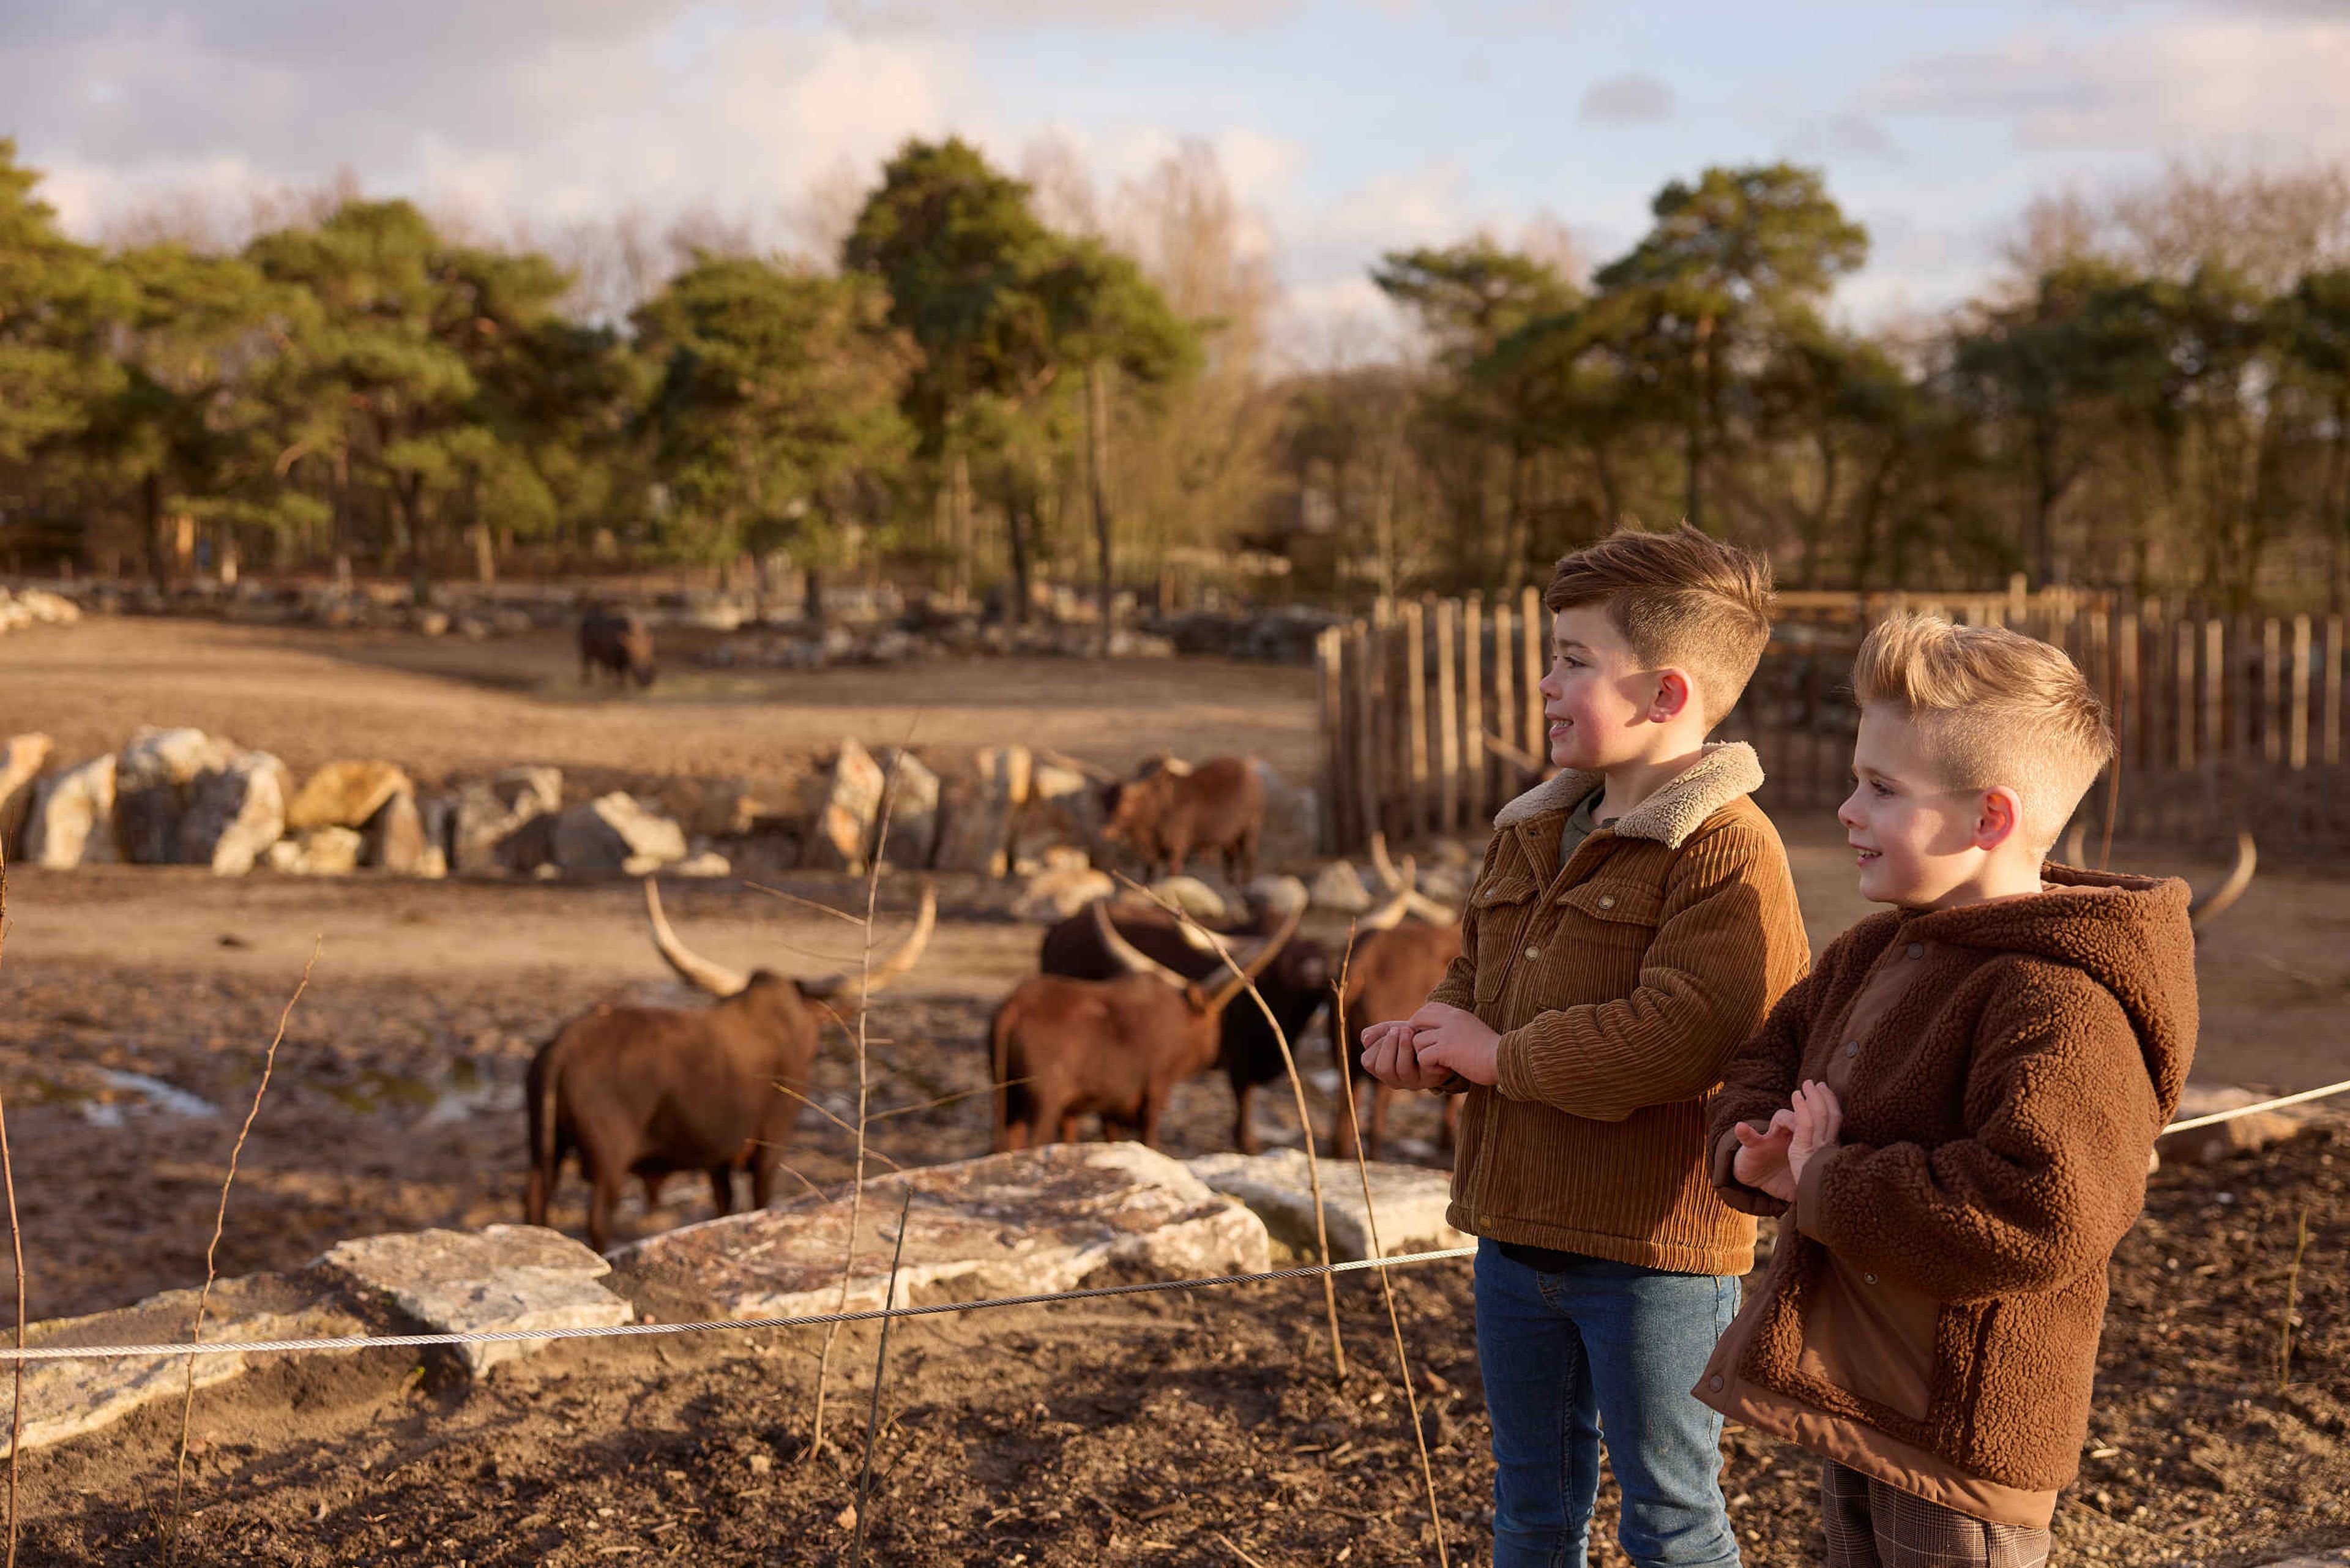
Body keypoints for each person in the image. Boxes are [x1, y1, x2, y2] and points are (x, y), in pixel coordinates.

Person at [1698, 613, 2197, 1568]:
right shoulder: (1877, 948)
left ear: (1989, 820)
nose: (1848, 809)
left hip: (1962, 1438)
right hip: (1857, 1393)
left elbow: (2038, 1209)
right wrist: (1757, 1142)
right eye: (1858, 778)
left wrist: (1826, 1182)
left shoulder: (2060, 999)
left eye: (1880, 788)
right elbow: (1771, 1052)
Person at [1361, 523, 1810, 1568]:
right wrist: (1430, 1036)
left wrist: (1497, 1057)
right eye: (1552, 656)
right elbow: (1481, 971)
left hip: (1652, 1259)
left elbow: (1681, 1035)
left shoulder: (1730, 852)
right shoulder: (1531, 825)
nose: (1547, 684)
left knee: (1671, 1516)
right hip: (1514, 1237)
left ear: (1665, 695)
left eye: (1574, 661)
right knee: (1528, 1507)